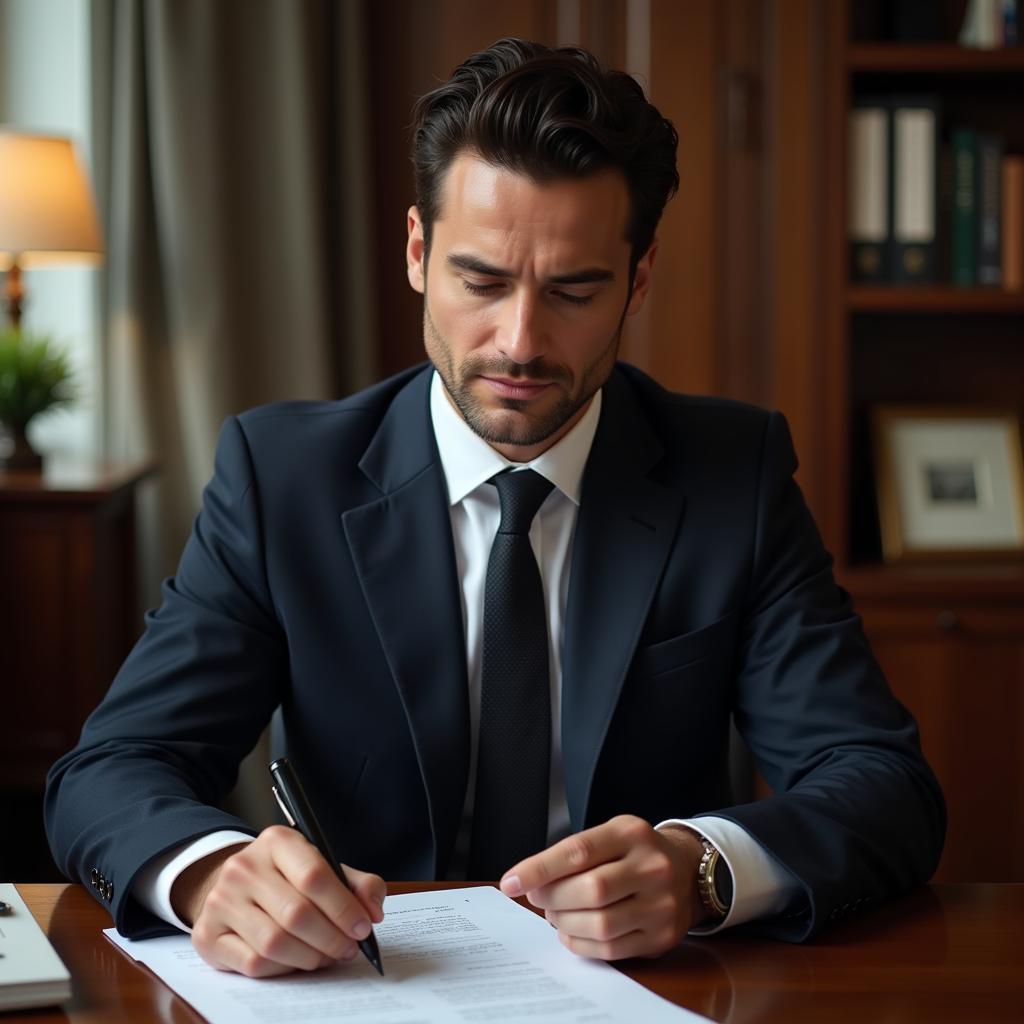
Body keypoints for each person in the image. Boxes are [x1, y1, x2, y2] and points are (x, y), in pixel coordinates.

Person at [45, 37, 944, 978]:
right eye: (480, 281)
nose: (519, 341)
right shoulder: (282, 478)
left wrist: (704, 868)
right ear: (417, 254)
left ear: (636, 283)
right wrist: (209, 873)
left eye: (573, 290)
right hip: (360, 986)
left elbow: (885, 787)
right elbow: (112, 769)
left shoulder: (734, 476)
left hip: (644, 989)